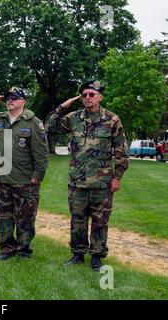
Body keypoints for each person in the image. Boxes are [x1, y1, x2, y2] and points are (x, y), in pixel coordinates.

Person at [46, 80, 129, 271]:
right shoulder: (73, 118)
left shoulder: (112, 120)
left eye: (92, 94)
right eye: (84, 95)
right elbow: (50, 126)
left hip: (102, 182)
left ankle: (97, 257)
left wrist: (117, 177)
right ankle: (77, 254)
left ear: (100, 97)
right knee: (77, 220)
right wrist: (63, 105)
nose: (88, 98)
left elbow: (121, 151)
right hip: (77, 182)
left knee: (100, 221)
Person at [0, 86, 49, 260]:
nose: (10, 100)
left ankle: (24, 249)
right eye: (8, 98)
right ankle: (7, 248)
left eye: (14, 98)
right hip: (2, 177)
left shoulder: (33, 122)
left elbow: (41, 153)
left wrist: (38, 176)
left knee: (25, 217)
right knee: (4, 216)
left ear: (23, 102)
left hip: (24, 179)